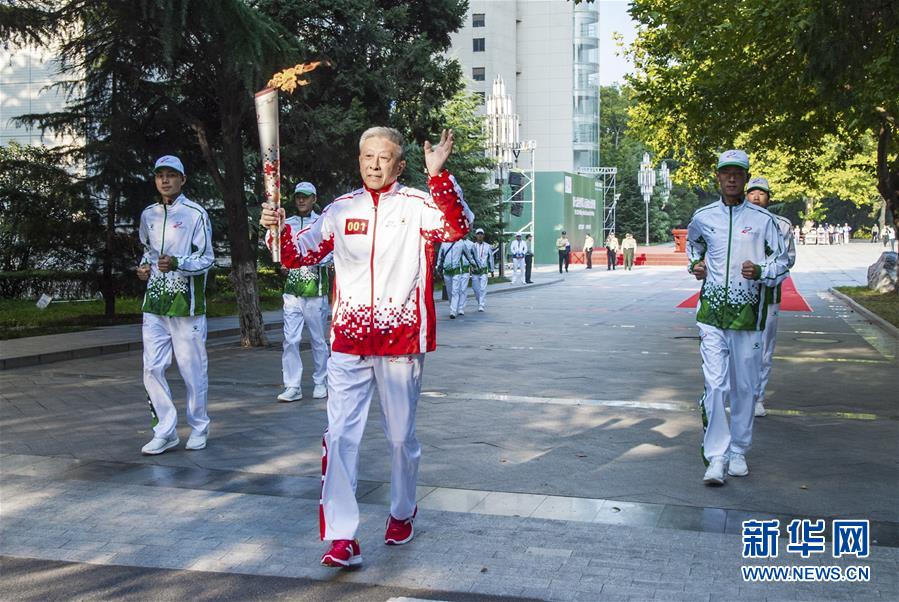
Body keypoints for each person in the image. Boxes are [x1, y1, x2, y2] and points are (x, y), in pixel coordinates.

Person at [261, 127, 472, 568]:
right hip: (349, 343)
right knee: (339, 436)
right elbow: (294, 255)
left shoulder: (418, 206)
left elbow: (457, 227)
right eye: (367, 157)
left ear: (400, 164)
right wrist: (276, 229)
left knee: (399, 438)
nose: (375, 165)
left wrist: (439, 177)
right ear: (359, 161)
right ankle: (341, 536)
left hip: (400, 341)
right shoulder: (340, 210)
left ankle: (401, 509)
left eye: (385, 157)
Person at [687, 150, 789, 486]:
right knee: (716, 386)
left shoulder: (764, 222)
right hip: (712, 315)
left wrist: (761, 270)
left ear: (746, 179)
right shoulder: (703, 217)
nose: (732, 178)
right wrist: (696, 265)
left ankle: (739, 450)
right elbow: (694, 247)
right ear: (717, 177)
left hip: (749, 317)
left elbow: (783, 261)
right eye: (726, 173)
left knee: (744, 387)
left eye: (738, 173)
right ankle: (716, 456)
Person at [137, 155, 214, 455]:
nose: (165, 180)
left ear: (183, 179)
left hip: (187, 306)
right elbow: (148, 251)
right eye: (160, 176)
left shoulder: (195, 214)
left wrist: (179, 263)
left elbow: (206, 258)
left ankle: (199, 427)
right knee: (151, 368)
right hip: (155, 304)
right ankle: (165, 430)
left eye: (171, 175)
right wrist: (143, 268)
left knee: (192, 369)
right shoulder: (148, 215)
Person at [270, 182, 331, 403]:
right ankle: (292, 385)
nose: (301, 201)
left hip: (316, 290)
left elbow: (329, 252)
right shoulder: (289, 223)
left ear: (314, 199)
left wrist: (308, 260)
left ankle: (320, 381)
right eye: (298, 197)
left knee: (317, 339)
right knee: (290, 339)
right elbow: (277, 248)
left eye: (306, 197)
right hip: (292, 292)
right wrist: (285, 262)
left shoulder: (322, 222)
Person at [745, 177, 796, 418]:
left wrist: (765, 272)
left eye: (761, 193)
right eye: (752, 192)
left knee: (764, 349)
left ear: (769, 198)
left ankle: (758, 397)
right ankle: (740, 395)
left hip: (768, 295)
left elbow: (789, 259)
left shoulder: (782, 225)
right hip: (739, 294)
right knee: (738, 348)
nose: (756, 197)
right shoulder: (735, 220)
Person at [438, 237, 475, 318]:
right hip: (447, 271)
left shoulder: (461, 243)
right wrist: (438, 268)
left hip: (457, 270)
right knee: (449, 291)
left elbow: (468, 255)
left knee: (455, 291)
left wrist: (473, 263)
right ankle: (453, 306)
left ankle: (453, 311)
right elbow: (440, 257)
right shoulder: (444, 243)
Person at [470, 228, 495, 311]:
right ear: (476, 235)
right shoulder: (472, 246)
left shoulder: (487, 246)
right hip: (475, 270)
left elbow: (491, 258)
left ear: (483, 235)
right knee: (475, 288)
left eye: (481, 234)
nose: (479, 235)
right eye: (478, 234)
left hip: (484, 270)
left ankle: (481, 305)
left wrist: (492, 270)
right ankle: (479, 301)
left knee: (482, 288)